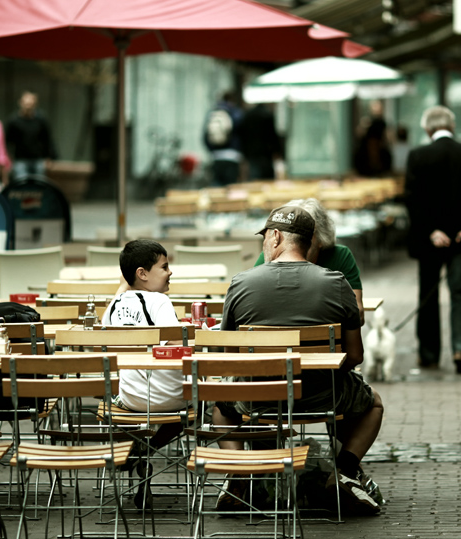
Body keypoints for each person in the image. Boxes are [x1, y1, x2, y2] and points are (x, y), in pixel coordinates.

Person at [216, 204, 384, 514]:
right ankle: (344, 472)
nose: (264, 244)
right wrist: (324, 372)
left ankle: (239, 475)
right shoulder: (337, 283)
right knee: (373, 403)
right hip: (325, 396)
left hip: (258, 400)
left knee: (218, 401)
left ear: (276, 236)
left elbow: (230, 357)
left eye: (265, 238)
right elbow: (356, 355)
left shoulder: (242, 283)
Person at [403, 105, 461, 374]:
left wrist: (431, 230)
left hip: (432, 240)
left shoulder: (417, 156)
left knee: (428, 295)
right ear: (451, 127)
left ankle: (429, 354)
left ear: (427, 129)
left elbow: (413, 200)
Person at [101, 239, 188, 508]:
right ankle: (145, 451)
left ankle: (136, 449)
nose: (170, 272)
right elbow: (179, 349)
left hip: (130, 400)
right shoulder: (160, 302)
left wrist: (126, 280)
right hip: (170, 400)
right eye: (164, 266)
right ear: (143, 273)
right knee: (195, 407)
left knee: (117, 403)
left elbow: (106, 330)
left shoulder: (114, 307)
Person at [252, 197, 366, 326]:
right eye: (290, 234)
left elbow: (358, 315)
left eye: (305, 235)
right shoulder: (270, 255)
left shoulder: (340, 256)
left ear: (322, 238)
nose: (295, 242)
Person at [5, 90, 54, 181]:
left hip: (38, 160)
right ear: (20, 103)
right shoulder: (13, 121)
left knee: (39, 185)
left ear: (35, 104)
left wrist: (48, 157)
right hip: (20, 160)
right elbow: (7, 141)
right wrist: (8, 158)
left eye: (31, 103)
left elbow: (47, 139)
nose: (28, 106)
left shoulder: (41, 120)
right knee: (21, 185)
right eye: (26, 103)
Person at [203, 91, 243, 186]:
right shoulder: (236, 113)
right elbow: (242, 134)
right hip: (233, 156)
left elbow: (204, 137)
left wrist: (212, 150)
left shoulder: (212, 114)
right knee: (231, 188)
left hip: (216, 157)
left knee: (217, 188)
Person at [237, 101, 281, 182]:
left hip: (252, 155)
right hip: (265, 154)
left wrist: (244, 153)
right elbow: (272, 136)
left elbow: (242, 136)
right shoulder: (267, 115)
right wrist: (277, 152)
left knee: (254, 180)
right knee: (268, 181)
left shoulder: (247, 116)